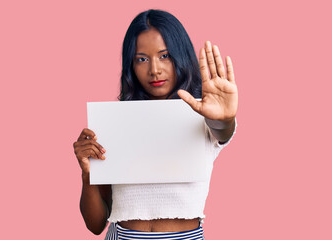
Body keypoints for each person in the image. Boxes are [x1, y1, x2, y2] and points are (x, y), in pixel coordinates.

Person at [73, 9, 238, 239]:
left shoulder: (205, 114)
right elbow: (95, 225)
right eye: (142, 59)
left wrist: (225, 118)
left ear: (180, 55)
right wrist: (87, 174)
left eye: (165, 55)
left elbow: (222, 130)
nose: (154, 69)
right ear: (131, 65)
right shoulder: (114, 121)